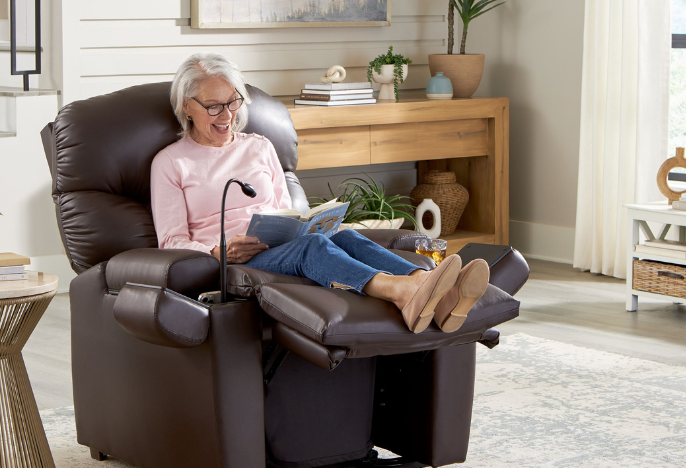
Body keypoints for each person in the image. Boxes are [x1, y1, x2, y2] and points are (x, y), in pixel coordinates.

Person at [150, 53, 490, 334]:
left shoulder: (259, 146)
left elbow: (283, 211)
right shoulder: (171, 162)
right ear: (186, 106)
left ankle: (433, 288)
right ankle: (402, 292)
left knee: (346, 237)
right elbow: (171, 241)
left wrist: (304, 223)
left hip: (278, 243)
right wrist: (218, 250)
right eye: (214, 106)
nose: (227, 116)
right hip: (234, 261)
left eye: (233, 102)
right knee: (313, 246)